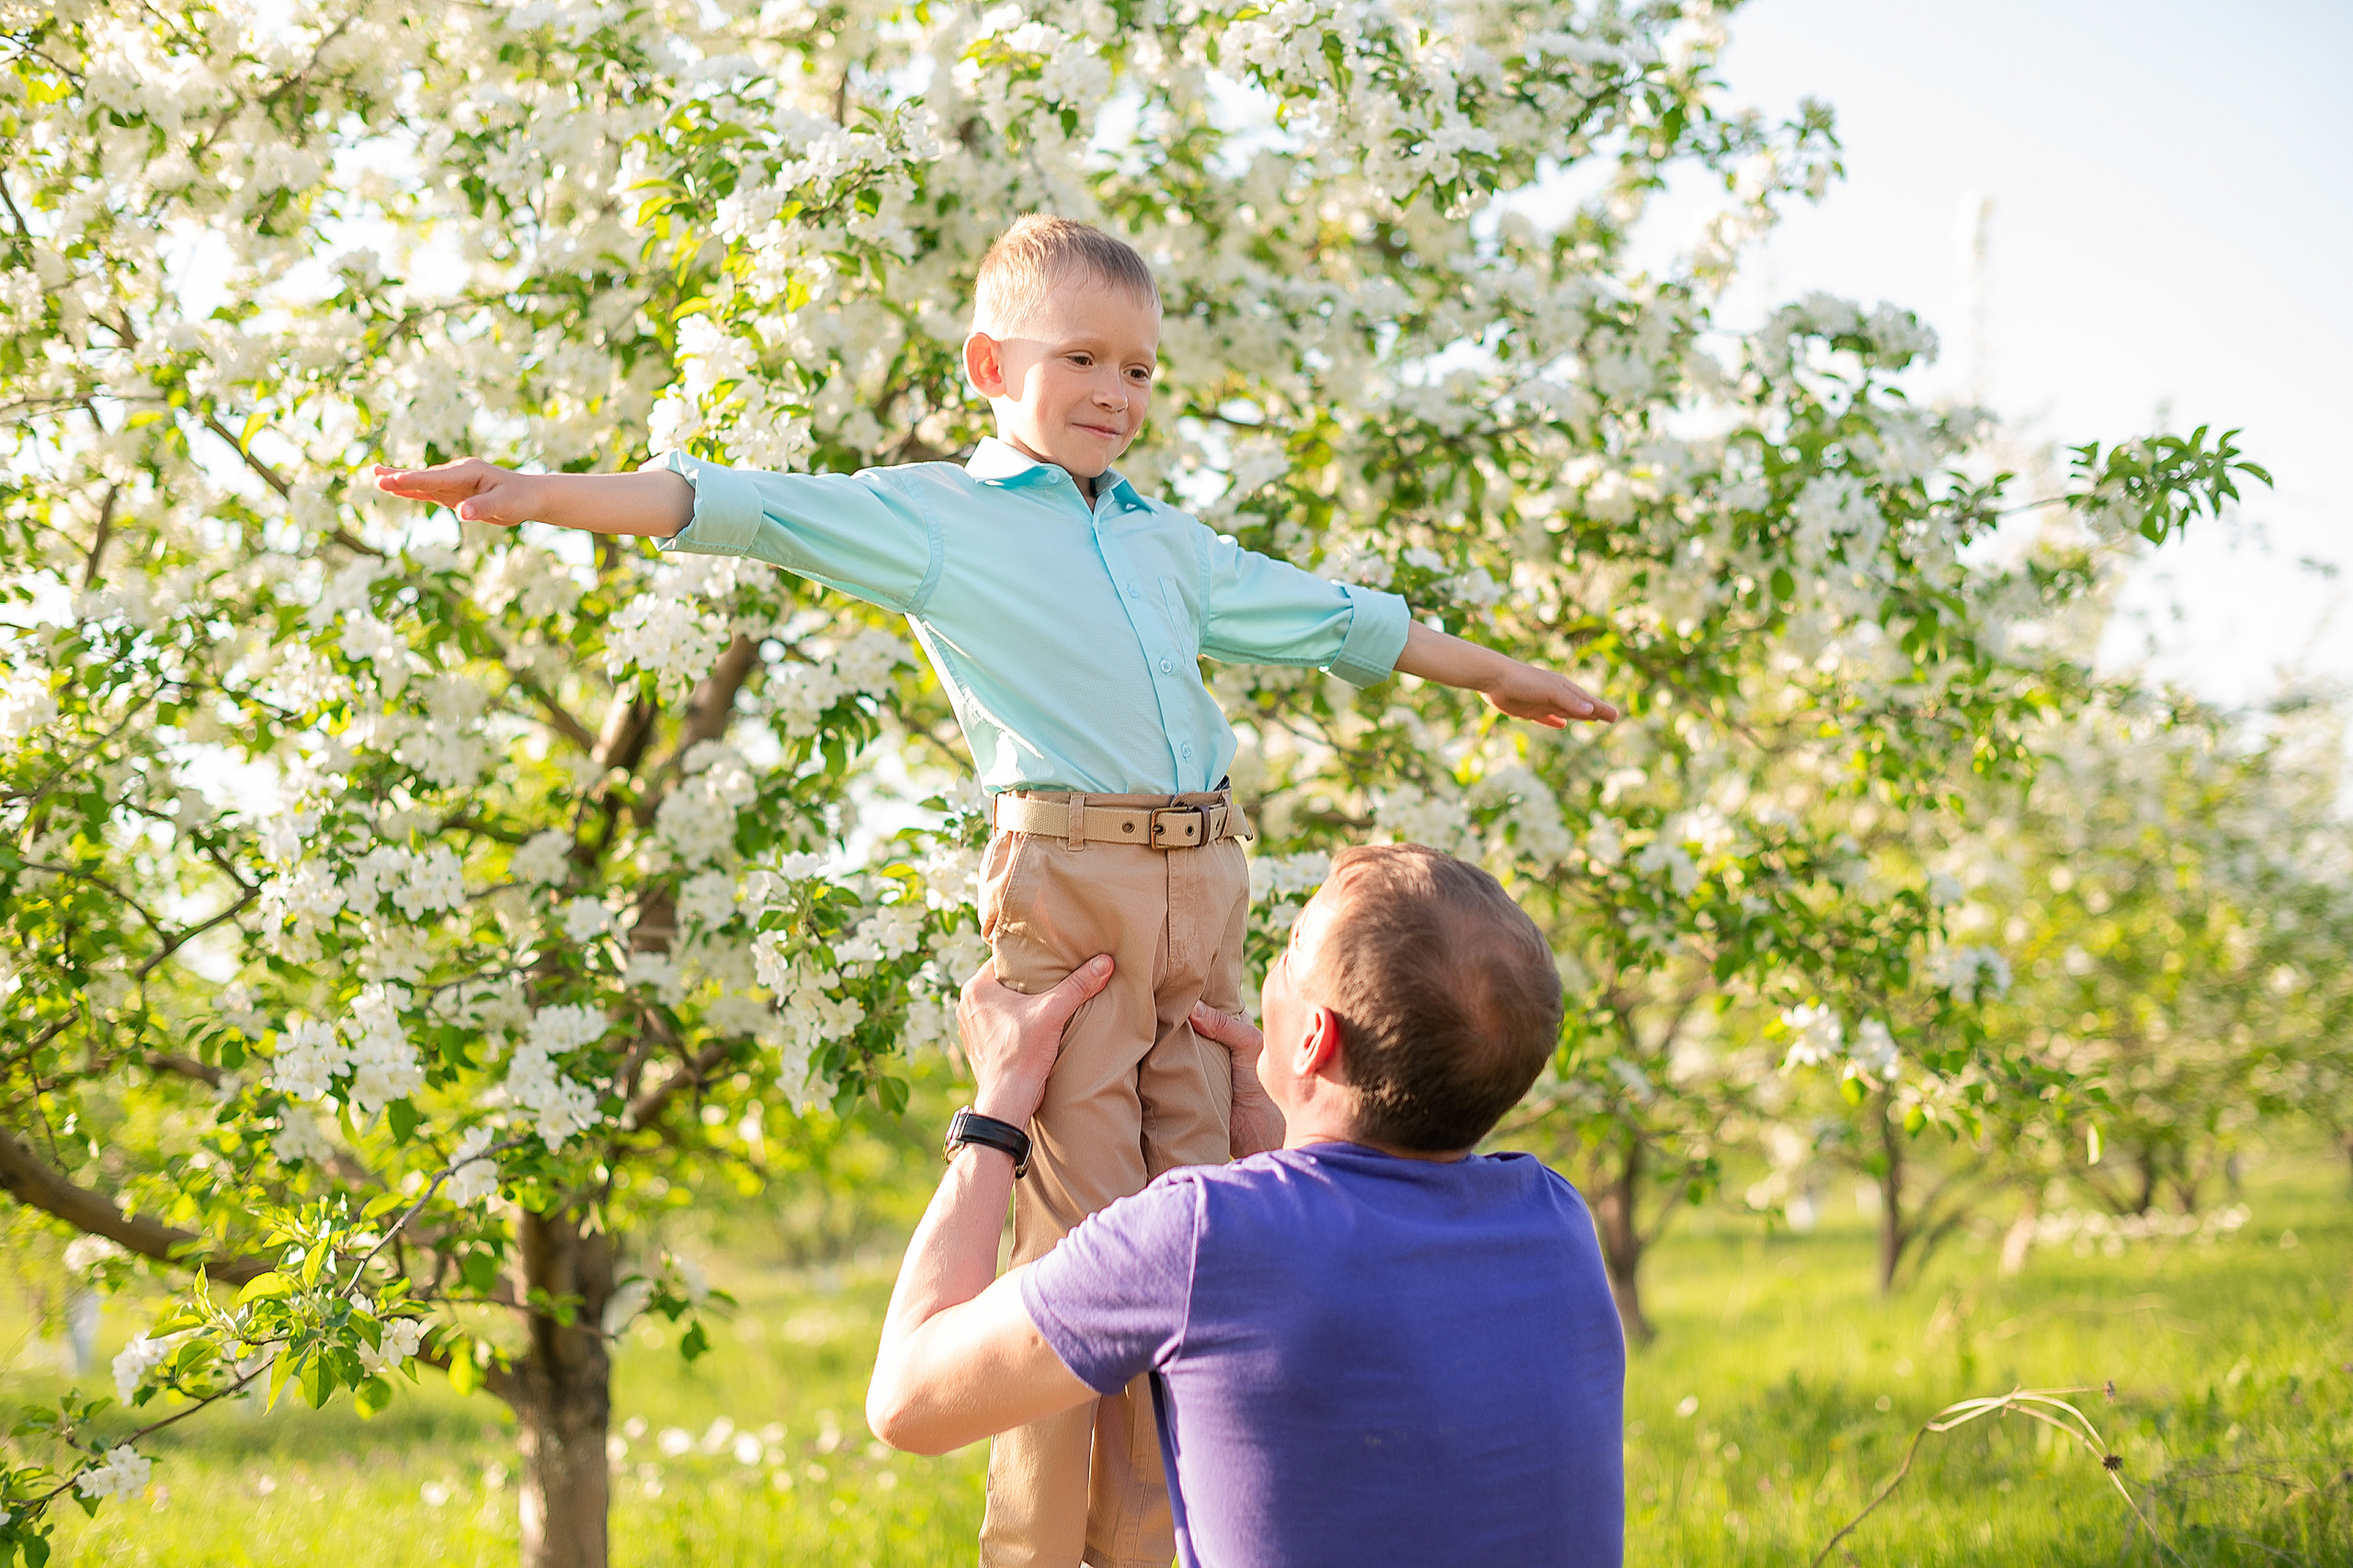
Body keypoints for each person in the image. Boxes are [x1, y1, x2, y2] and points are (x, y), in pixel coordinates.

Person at [371, 217, 1618, 1567]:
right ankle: (1046, 1548)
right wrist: (539, 489)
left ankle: (1169, 1536)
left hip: (1202, 878)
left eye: (1141, 370)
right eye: (1081, 357)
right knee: (1080, 1231)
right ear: (987, 363)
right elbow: (734, 502)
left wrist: (1496, 670)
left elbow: (1339, 618)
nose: (1115, 393)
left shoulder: (1167, 544)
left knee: (1197, 1214)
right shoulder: (939, 523)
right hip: (1073, 886)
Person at [867, 844, 1627, 1568]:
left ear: (1312, 1041)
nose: (1271, 967)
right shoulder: (1555, 1222)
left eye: (1294, 951)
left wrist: (997, 1106)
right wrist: (1285, 1148)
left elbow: (907, 1399)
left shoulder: (1202, 1237)